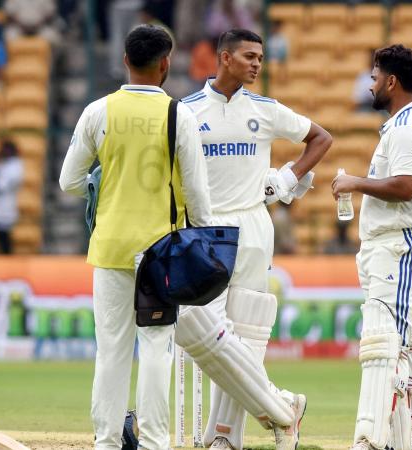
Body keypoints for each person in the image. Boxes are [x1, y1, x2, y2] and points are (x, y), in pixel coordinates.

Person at [58, 24, 213, 450]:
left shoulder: (98, 111)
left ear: (125, 60)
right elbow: (198, 195)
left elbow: (68, 181)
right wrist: (201, 239)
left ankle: (107, 442)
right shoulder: (180, 115)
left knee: (110, 352)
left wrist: (102, 179)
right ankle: (155, 442)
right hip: (161, 252)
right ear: (166, 64)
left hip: (109, 247)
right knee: (156, 349)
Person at [180, 29, 332, 450]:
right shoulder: (187, 111)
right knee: (200, 330)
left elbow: (321, 138)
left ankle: (224, 438)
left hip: (252, 227)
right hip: (205, 229)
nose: (257, 64)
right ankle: (283, 407)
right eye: (249, 56)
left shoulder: (265, 110)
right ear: (224, 57)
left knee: (246, 335)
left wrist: (287, 177)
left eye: (260, 58)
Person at [332, 44, 412, 450]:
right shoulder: (403, 124)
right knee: (401, 339)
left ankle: (374, 438)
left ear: (391, 81)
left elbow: (406, 186)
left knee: (384, 341)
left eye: (375, 78)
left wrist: (355, 182)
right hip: (391, 245)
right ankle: (407, 431)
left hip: (399, 244)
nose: (370, 85)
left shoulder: (409, 127)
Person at [0, 140, 23, 254]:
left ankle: (7, 256)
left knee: (5, 233)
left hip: (7, 201)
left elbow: (3, 184)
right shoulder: (1, 163)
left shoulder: (16, 164)